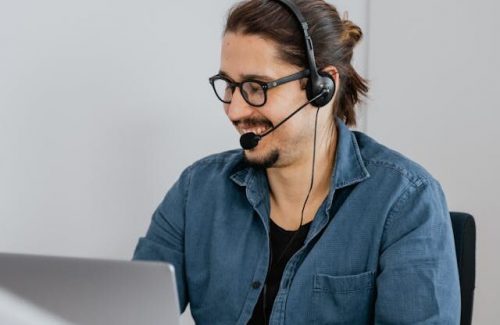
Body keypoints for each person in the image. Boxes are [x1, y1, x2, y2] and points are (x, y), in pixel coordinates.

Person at [133, 0, 461, 324]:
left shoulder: (405, 201)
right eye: (230, 86)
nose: (235, 110)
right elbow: (130, 311)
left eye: (256, 87)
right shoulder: (197, 190)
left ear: (322, 88)